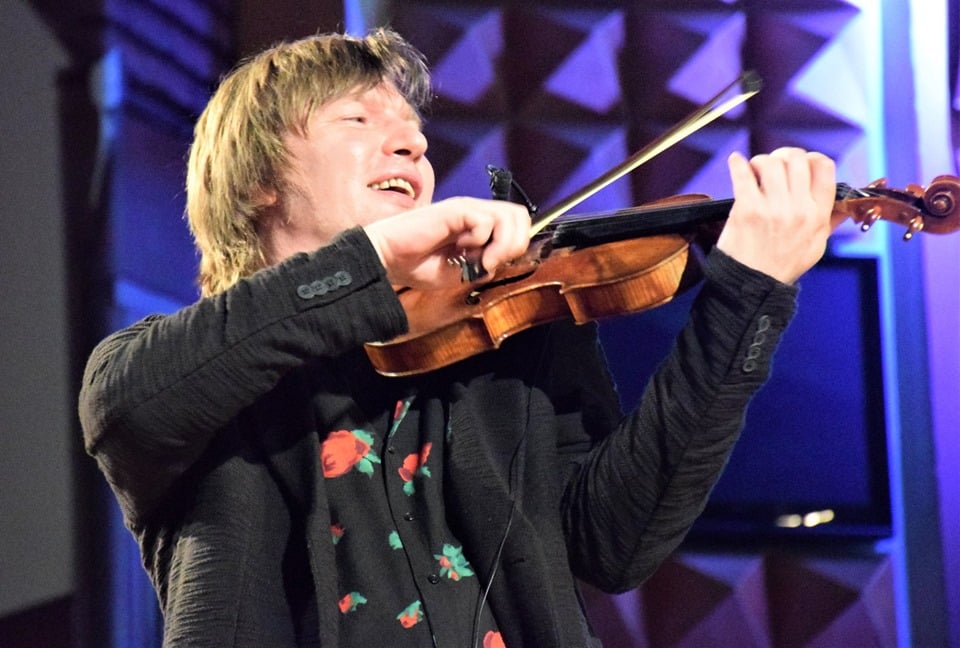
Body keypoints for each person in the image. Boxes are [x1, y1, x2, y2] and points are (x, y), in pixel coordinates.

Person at [78, 28, 836, 648]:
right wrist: (375, 260)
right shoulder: (178, 374)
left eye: (415, 135)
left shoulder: (507, 339)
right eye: (360, 122)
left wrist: (745, 292)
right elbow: (126, 406)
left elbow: (616, 543)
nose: (410, 146)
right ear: (256, 180)